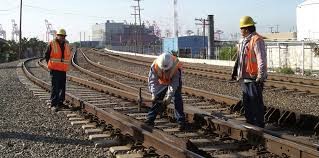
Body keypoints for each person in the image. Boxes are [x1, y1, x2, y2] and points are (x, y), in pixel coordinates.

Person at [231, 16, 267, 128]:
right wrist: (234, 72)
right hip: (244, 77)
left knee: (256, 103)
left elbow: (261, 59)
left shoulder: (257, 40)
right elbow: (239, 58)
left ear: (246, 28)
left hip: (253, 77)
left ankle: (259, 126)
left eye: (241, 28)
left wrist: (260, 75)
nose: (240, 31)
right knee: (247, 102)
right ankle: (250, 124)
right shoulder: (243, 41)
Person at [145, 53, 186, 129]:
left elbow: (174, 84)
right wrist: (153, 94)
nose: (165, 70)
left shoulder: (176, 67)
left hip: (174, 82)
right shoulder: (155, 66)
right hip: (162, 82)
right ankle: (150, 119)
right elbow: (152, 81)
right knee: (157, 98)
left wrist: (169, 97)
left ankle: (181, 121)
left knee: (177, 99)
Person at [45, 29, 71, 112]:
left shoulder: (66, 44)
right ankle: (53, 104)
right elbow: (47, 55)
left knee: (62, 87)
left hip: (63, 69)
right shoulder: (52, 43)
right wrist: (50, 65)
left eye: (63, 36)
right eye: (61, 36)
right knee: (55, 87)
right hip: (55, 69)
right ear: (57, 36)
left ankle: (60, 103)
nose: (62, 37)